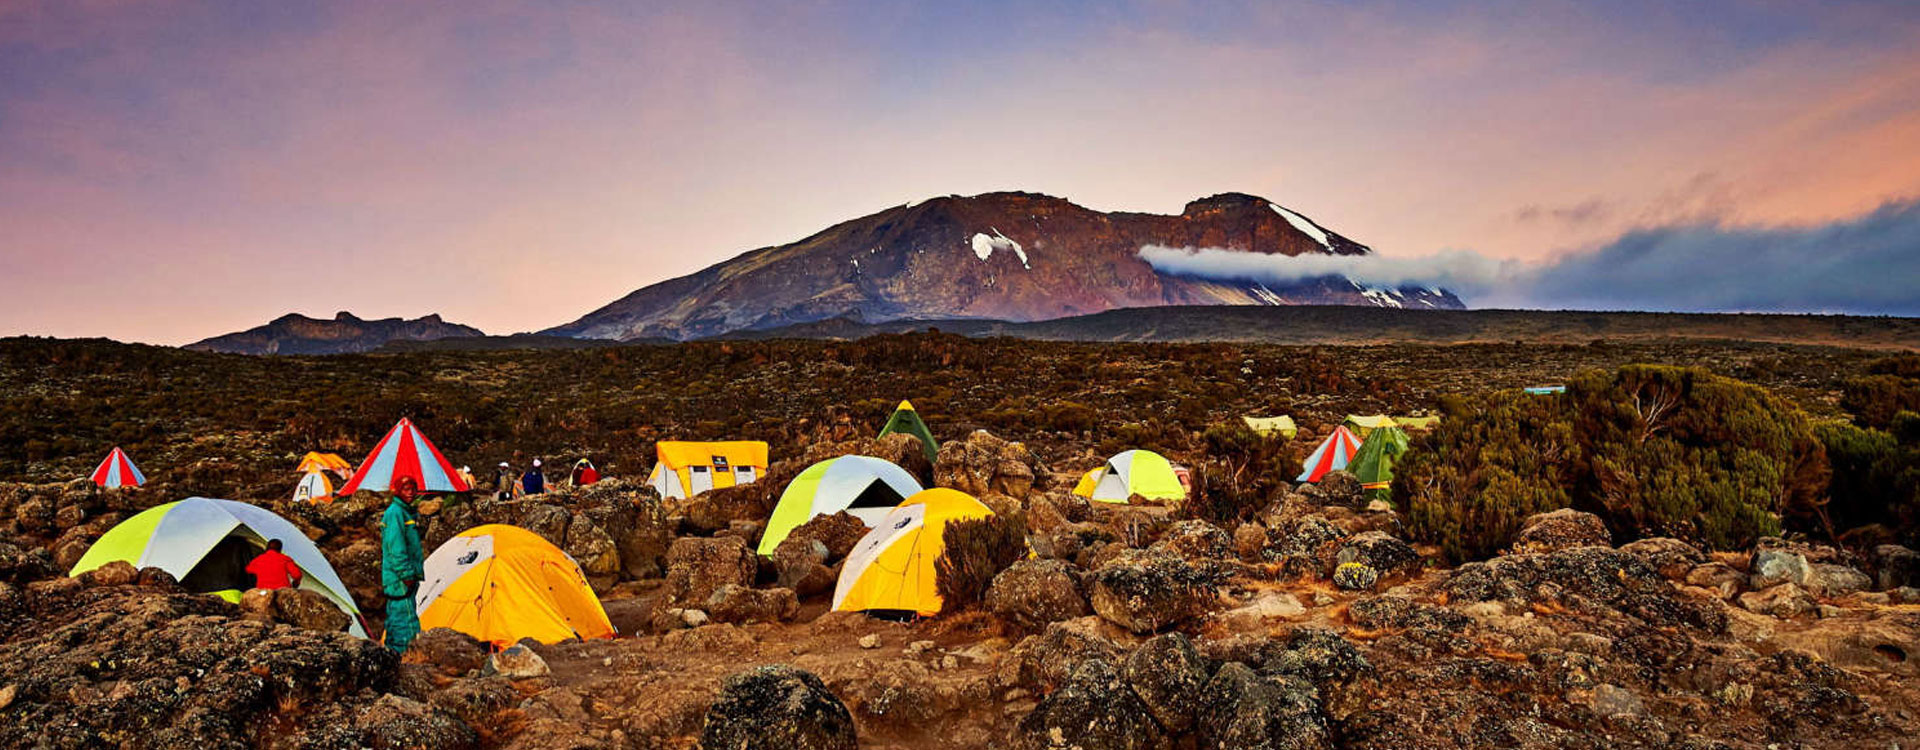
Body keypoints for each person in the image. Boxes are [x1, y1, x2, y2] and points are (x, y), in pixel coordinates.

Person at [380, 476, 426, 652]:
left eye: (413, 489)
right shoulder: (396, 513)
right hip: (400, 579)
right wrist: (407, 575)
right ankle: (405, 658)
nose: (411, 493)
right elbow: (395, 547)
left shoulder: (404, 512)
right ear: (398, 491)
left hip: (398, 578)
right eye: (406, 489)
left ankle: (391, 654)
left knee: (395, 619)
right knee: (406, 623)